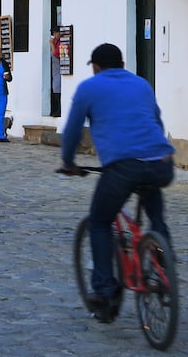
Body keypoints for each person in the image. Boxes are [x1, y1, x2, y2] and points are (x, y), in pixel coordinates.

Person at [59, 43, 175, 323]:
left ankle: (104, 289)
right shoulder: (142, 84)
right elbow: (156, 123)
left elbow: (73, 130)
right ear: (122, 64)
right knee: (155, 215)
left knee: (99, 222)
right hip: (160, 162)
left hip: (122, 167)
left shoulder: (89, 87)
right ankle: (164, 263)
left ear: (96, 66)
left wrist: (68, 162)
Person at [50, 28, 63, 117]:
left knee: (57, 88)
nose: (55, 35)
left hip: (59, 69)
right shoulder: (55, 41)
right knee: (54, 88)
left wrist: (51, 44)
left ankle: (59, 109)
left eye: (56, 33)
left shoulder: (60, 43)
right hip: (54, 69)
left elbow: (56, 54)